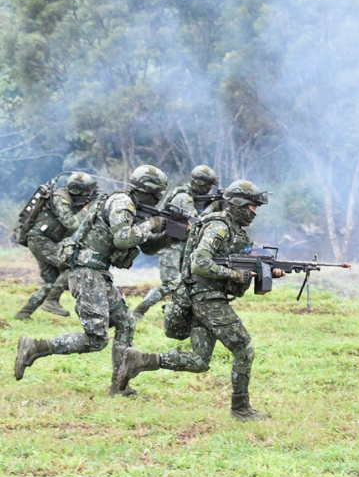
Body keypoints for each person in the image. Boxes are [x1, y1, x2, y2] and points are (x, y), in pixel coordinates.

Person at [114, 180, 283, 420]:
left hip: (201, 298)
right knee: (244, 348)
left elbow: (244, 258)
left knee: (199, 361)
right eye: (252, 207)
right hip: (206, 299)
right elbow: (200, 262)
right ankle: (241, 409)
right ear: (238, 204)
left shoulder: (234, 230)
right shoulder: (218, 227)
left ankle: (140, 360)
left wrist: (268, 268)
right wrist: (236, 275)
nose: (254, 213)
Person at [14, 165, 171, 395]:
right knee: (96, 339)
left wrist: (171, 234)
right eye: (159, 192)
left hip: (97, 273)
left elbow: (147, 247)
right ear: (150, 191)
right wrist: (151, 224)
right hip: (87, 272)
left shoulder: (133, 206)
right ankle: (35, 347)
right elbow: (123, 239)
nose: (160, 197)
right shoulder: (122, 202)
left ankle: (120, 386)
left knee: (126, 323)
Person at [132, 165, 219, 320]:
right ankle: (140, 310)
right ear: (199, 182)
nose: (210, 188)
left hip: (182, 244)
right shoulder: (183, 197)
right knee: (170, 283)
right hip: (170, 245)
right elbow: (195, 223)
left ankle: (177, 311)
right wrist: (212, 208)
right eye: (208, 184)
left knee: (188, 281)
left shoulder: (192, 196)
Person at [14, 172, 96, 320]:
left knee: (51, 283)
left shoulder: (72, 198)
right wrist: (87, 209)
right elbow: (71, 224)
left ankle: (23, 314)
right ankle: (52, 301)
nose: (89, 194)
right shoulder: (60, 198)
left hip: (42, 241)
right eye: (87, 191)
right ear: (77, 190)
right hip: (40, 240)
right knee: (74, 264)